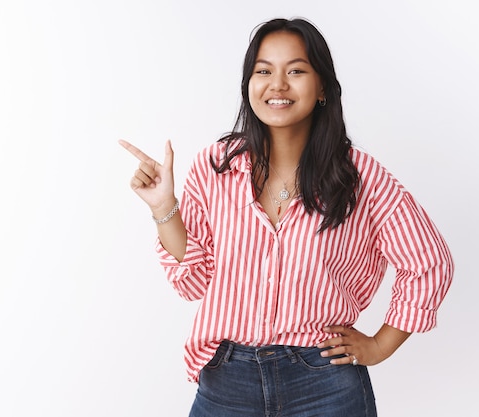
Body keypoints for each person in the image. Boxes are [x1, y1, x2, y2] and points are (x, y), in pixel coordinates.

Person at [119, 17, 453, 417]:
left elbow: (429, 263)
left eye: (296, 70)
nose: (277, 85)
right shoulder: (217, 166)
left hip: (324, 381)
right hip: (227, 378)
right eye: (264, 71)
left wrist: (379, 345)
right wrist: (163, 208)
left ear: (323, 86)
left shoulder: (359, 177)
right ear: (249, 85)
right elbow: (195, 279)